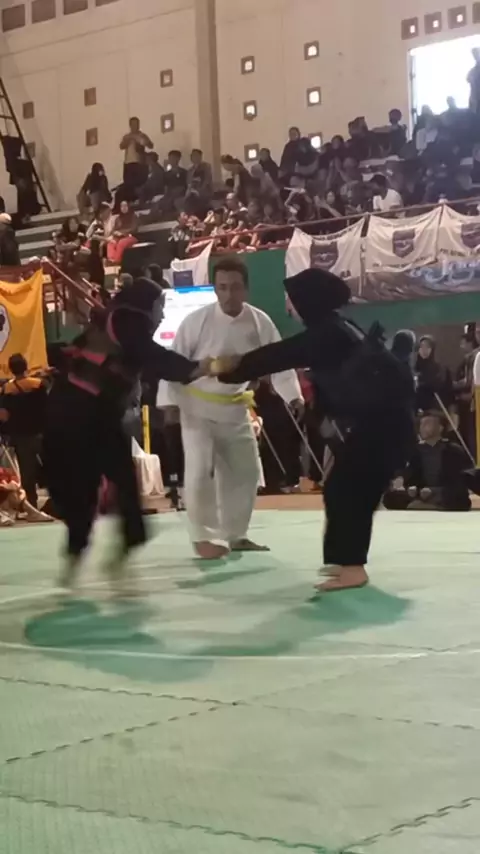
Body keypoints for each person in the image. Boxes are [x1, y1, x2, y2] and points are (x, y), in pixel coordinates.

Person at [215, 268, 415, 591]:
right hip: (380, 424)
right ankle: (341, 561)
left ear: (307, 301)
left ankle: (352, 567)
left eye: (291, 299)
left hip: (382, 426)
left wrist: (230, 368)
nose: (288, 306)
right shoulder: (338, 327)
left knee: (351, 492)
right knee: (340, 489)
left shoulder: (327, 334)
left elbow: (278, 356)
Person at [43, 278, 212, 594]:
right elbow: (152, 356)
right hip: (75, 417)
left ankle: (105, 554)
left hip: (95, 417)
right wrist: (195, 368)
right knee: (87, 493)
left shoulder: (119, 324)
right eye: (161, 306)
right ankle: (83, 556)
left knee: (122, 486)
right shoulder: (126, 319)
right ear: (145, 306)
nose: (163, 315)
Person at [158, 257, 303, 560]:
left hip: (235, 407)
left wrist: (293, 397)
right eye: (221, 287)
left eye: (234, 287)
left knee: (245, 472)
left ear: (246, 289)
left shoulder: (260, 322)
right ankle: (203, 537)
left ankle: (235, 535)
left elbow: (279, 361)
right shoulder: (196, 321)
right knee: (199, 470)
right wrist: (169, 403)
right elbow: (172, 363)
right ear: (215, 288)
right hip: (196, 407)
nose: (227, 294)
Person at [385, 412, 471, 512]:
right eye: (421, 424)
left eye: (427, 424)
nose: (422, 428)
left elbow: (461, 480)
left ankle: (422, 504)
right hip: (420, 492)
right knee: (390, 496)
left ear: (440, 428)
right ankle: (429, 504)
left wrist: (434, 491)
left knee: (457, 497)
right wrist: (407, 486)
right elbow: (406, 472)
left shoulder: (453, 450)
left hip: (443, 492)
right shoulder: (415, 450)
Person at [0, 354, 49, 509]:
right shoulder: (39, 384)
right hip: (42, 434)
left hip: (21, 437)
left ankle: (32, 505)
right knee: (51, 467)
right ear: (26, 366)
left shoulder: (7, 389)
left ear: (11, 369)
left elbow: (3, 415)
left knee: (27, 473)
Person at [415, 335, 454, 413]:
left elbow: (439, 386)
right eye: (421, 346)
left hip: (434, 409)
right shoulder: (416, 367)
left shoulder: (439, 369)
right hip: (417, 409)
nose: (423, 349)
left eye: (427, 347)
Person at [120, 117, 153, 196]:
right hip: (128, 163)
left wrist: (142, 141)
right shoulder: (127, 136)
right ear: (130, 125)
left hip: (139, 163)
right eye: (133, 124)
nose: (135, 126)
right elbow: (121, 146)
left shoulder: (142, 135)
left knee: (139, 184)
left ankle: (139, 199)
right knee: (128, 185)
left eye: (136, 124)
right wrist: (128, 140)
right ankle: (130, 200)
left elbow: (151, 145)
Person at [106, 200, 139, 265]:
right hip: (119, 237)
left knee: (121, 243)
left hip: (131, 236)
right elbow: (114, 230)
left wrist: (122, 233)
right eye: (122, 206)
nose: (123, 208)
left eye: (125, 206)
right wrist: (115, 233)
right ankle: (111, 260)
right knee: (111, 242)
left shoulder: (133, 216)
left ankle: (117, 261)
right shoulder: (118, 218)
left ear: (128, 207)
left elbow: (134, 229)